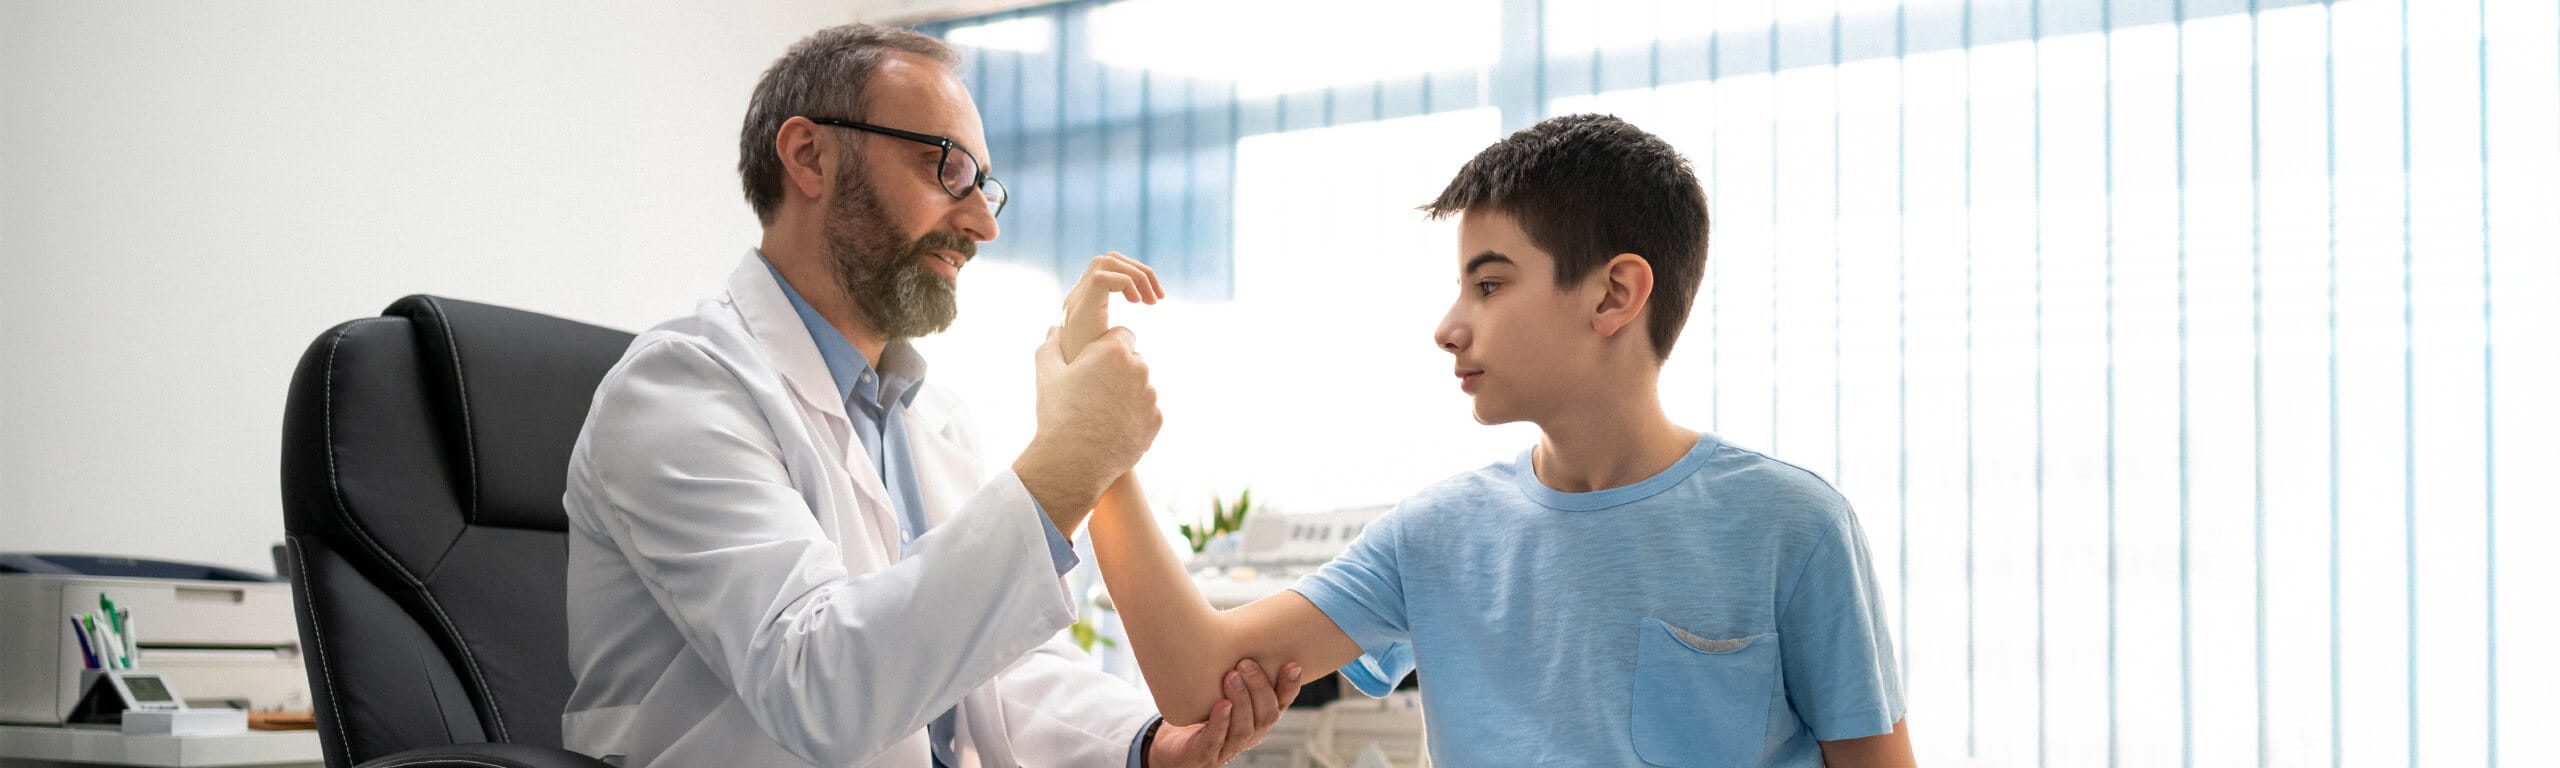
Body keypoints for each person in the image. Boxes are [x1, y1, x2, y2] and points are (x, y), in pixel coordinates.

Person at [558, 24, 1298, 768]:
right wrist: (1073, 460)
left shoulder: (929, 416)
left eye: (986, 186)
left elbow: (991, 676)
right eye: (946, 168)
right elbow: (819, 687)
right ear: (810, 157)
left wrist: (1147, 744)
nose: (982, 223)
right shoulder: (678, 389)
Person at [1078, 114, 1915, 767]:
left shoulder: (1793, 530)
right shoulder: (1433, 537)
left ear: (1615, 294)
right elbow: (1197, 681)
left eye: (1489, 284)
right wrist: (1096, 449)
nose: (1448, 328)